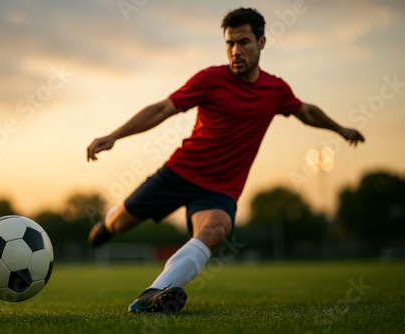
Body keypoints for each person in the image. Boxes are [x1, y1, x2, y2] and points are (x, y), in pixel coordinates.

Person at [86, 7, 365, 314]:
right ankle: (109, 223)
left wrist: (339, 129)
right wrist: (115, 135)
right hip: (178, 173)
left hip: (219, 190)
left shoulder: (276, 90)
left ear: (261, 42)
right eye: (229, 44)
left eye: (243, 42)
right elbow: (162, 109)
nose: (235, 51)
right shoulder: (210, 79)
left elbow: (307, 112)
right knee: (120, 223)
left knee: (217, 229)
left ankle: (153, 294)